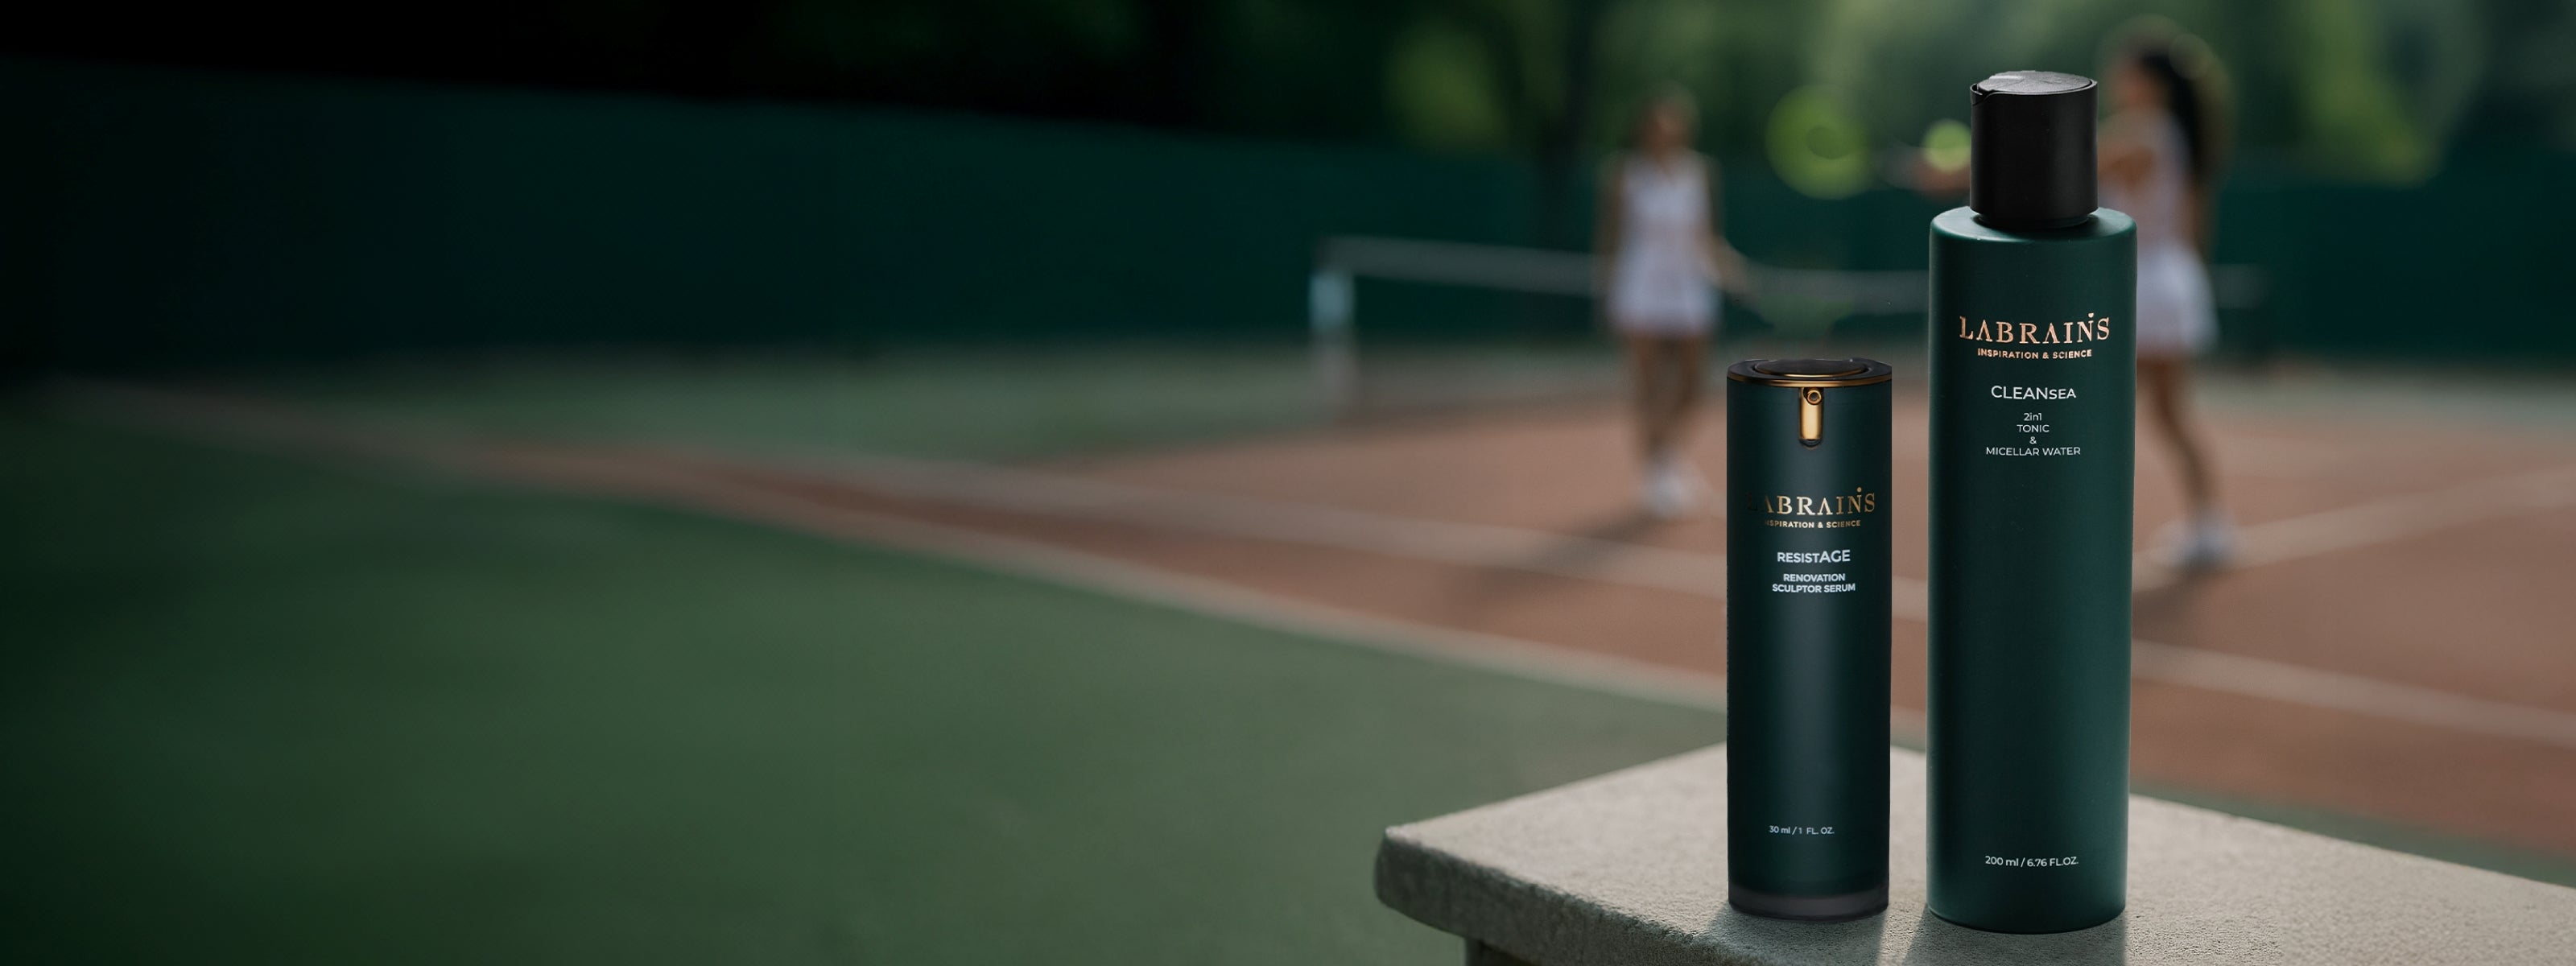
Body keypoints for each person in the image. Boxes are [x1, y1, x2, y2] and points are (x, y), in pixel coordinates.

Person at [2102, 28, 2235, 569]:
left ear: (2148, 83)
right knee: (2167, 414)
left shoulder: (2140, 132)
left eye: (2124, 71)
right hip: (2173, 280)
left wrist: (1954, 173)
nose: (2115, 80)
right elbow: (2195, 226)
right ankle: (2211, 525)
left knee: (2102, 416)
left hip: (2145, 283)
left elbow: (2049, 168)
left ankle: (2087, 535)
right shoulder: (2176, 135)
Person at [1596, 86, 1747, 518]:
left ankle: (1667, 457)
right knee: (1647, 387)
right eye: (1659, 121)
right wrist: (1608, 291)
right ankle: (1656, 472)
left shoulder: (1701, 172)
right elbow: (1611, 236)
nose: (1667, 129)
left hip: (1688, 286)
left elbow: (1708, 236)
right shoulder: (1624, 173)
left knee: (1691, 384)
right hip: (1640, 285)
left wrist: (1729, 267)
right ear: (1645, 127)